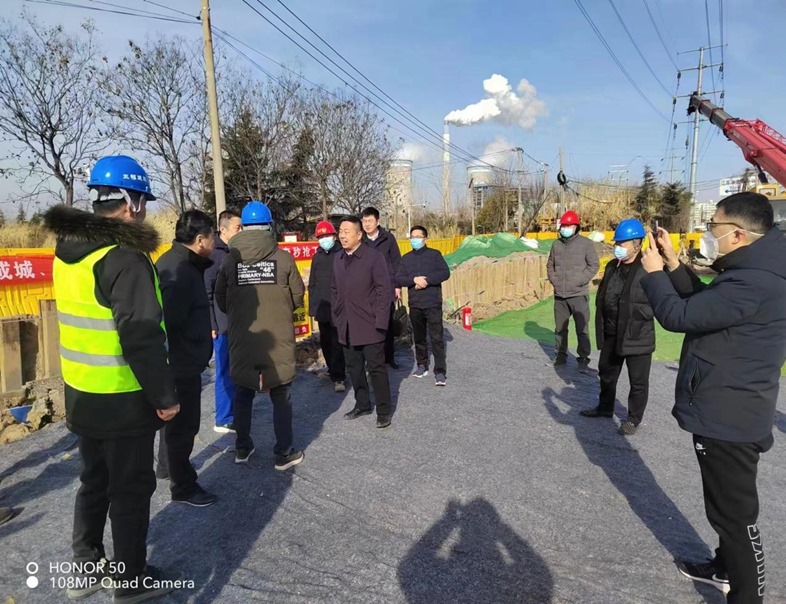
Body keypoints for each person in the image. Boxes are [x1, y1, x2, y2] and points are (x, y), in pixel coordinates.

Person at [44, 155, 180, 602]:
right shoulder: (125, 259)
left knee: (94, 481)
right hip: (123, 398)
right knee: (130, 490)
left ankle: (86, 566)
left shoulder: (68, 252)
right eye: (143, 201)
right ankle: (130, 580)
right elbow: (141, 336)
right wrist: (164, 396)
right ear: (131, 202)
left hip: (82, 393)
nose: (144, 210)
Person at [640, 192, 786, 602]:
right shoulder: (755, 268)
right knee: (724, 510)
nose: (707, 233)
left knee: (736, 519)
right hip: (729, 405)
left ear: (738, 235)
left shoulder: (753, 281)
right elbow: (706, 304)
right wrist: (673, 264)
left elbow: (679, 316)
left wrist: (653, 274)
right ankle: (724, 567)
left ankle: (746, 595)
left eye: (713, 227)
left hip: (730, 416)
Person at [215, 201, 305, 470]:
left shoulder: (230, 260)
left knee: (243, 393)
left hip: (243, 337)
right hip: (277, 339)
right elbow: (298, 296)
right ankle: (284, 453)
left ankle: (242, 447)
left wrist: (240, 315)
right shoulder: (283, 258)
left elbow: (221, 299)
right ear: (269, 226)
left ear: (243, 227)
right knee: (281, 394)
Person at [155, 210, 217, 507]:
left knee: (174, 424)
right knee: (184, 426)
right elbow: (170, 323)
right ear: (201, 239)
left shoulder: (175, 262)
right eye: (213, 236)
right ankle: (183, 486)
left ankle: (167, 467)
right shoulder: (180, 271)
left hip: (181, 360)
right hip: (180, 363)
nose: (215, 242)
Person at [580, 219, 654, 436]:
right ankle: (605, 407)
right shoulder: (613, 266)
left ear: (637, 244)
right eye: (617, 243)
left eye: (622, 243)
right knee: (607, 373)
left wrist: (640, 315)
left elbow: (660, 297)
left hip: (637, 334)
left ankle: (633, 419)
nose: (617, 247)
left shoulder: (647, 267)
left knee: (638, 381)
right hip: (612, 332)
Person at [332, 216, 394, 428]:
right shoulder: (338, 258)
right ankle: (362, 404)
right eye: (340, 231)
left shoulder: (373, 257)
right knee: (354, 367)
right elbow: (334, 289)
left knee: (376, 369)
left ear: (359, 235)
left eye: (347, 232)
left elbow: (384, 291)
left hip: (370, 324)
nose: (342, 236)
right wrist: (337, 315)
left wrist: (381, 321)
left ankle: (384, 410)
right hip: (346, 324)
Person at [394, 225, 451, 385]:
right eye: (412, 237)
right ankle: (422, 365)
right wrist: (414, 280)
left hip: (432, 303)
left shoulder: (434, 255)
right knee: (419, 338)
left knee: (437, 338)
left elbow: (444, 272)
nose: (415, 239)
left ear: (425, 238)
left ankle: (440, 371)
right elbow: (399, 278)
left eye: (418, 237)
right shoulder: (406, 259)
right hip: (415, 304)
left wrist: (426, 281)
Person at [204, 209, 243, 433]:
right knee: (224, 371)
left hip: (236, 321)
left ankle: (234, 411)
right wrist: (212, 323)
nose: (241, 231)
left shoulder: (233, 252)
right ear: (223, 229)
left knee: (234, 370)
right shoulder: (215, 255)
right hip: (222, 324)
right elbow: (207, 291)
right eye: (238, 228)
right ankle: (224, 417)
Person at [546, 210, 599, 371]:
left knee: (582, 329)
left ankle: (583, 360)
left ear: (576, 226)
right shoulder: (556, 245)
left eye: (569, 225)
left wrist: (579, 281)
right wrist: (555, 281)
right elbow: (550, 265)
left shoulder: (586, 244)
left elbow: (594, 265)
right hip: (560, 296)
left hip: (578, 294)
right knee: (560, 329)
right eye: (564, 225)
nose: (565, 228)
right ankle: (560, 357)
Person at [361, 206, 402, 368]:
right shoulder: (361, 240)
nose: (367, 224)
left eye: (370, 221)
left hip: (387, 286)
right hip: (367, 287)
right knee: (369, 322)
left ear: (377, 222)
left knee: (388, 323)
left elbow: (396, 261)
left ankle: (389, 357)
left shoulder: (388, 238)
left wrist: (397, 285)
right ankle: (372, 358)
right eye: (364, 221)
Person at [308, 220, 346, 393]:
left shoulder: (342, 254)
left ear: (334, 236)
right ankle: (331, 370)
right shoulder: (317, 257)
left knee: (338, 342)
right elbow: (312, 284)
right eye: (321, 236)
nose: (324, 239)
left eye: (327, 235)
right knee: (325, 341)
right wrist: (312, 308)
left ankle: (339, 377)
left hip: (338, 306)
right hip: (322, 307)